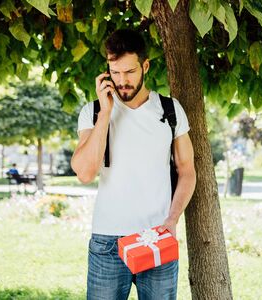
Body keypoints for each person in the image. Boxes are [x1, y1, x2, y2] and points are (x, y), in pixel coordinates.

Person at [71, 29, 196, 300]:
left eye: (129, 72)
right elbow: (85, 172)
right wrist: (106, 113)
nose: (122, 81)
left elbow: (187, 171)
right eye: (115, 73)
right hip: (107, 244)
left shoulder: (170, 110)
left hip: (157, 237)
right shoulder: (92, 112)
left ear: (145, 66)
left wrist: (172, 220)